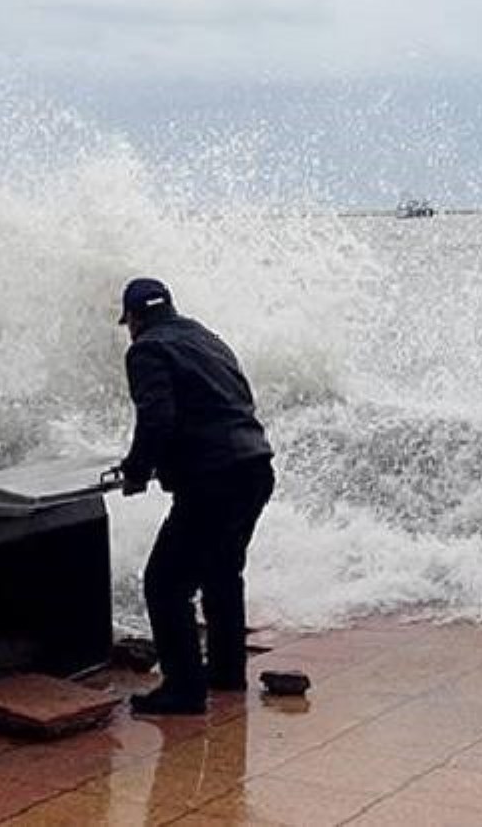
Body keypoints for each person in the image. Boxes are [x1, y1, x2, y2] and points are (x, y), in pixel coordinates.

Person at [112, 277, 274, 716]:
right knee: (223, 573)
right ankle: (225, 671)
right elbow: (238, 398)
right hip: (255, 467)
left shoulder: (146, 350)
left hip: (214, 480)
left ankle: (183, 689)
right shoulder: (206, 337)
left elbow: (157, 417)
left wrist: (137, 471)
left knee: (165, 583)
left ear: (136, 319)